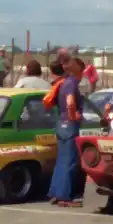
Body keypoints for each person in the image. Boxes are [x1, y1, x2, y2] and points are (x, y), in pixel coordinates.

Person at [47, 57, 86, 208]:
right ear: (79, 71)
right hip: (70, 125)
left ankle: (55, 192)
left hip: (60, 124)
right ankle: (65, 196)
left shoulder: (62, 83)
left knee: (62, 160)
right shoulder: (72, 83)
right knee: (70, 162)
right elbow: (70, 102)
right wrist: (73, 116)